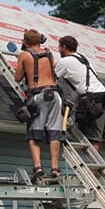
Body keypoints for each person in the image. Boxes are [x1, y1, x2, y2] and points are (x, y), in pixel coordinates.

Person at [54, 35, 105, 173]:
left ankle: (94, 170)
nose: (58, 49)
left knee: (93, 138)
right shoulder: (82, 58)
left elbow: (52, 78)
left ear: (64, 47)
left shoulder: (65, 61)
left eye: (59, 46)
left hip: (92, 101)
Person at [13, 29, 65, 183]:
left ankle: (38, 168)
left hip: (39, 95)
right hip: (55, 95)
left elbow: (17, 77)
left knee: (34, 133)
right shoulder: (49, 53)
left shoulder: (24, 55)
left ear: (26, 41)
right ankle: (55, 168)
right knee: (55, 132)